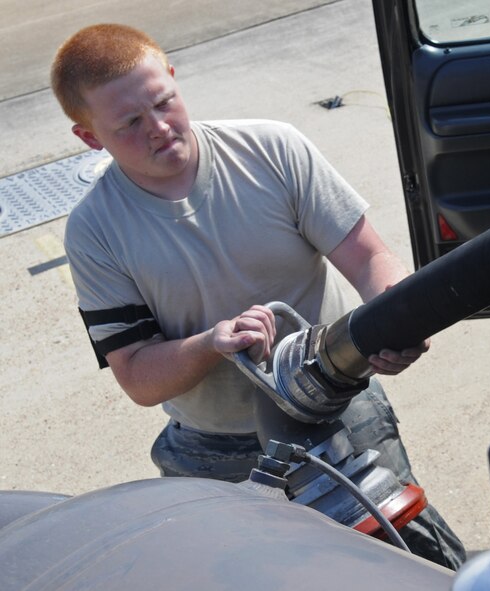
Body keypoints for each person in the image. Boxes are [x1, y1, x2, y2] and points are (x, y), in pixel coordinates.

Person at [51, 23, 465, 569]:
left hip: (337, 409)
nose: (157, 128)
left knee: (416, 562)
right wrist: (209, 344)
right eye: (129, 123)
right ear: (89, 137)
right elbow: (137, 377)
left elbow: (368, 258)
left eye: (163, 102)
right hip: (215, 446)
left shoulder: (273, 148)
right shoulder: (94, 231)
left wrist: (394, 316)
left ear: (173, 80)